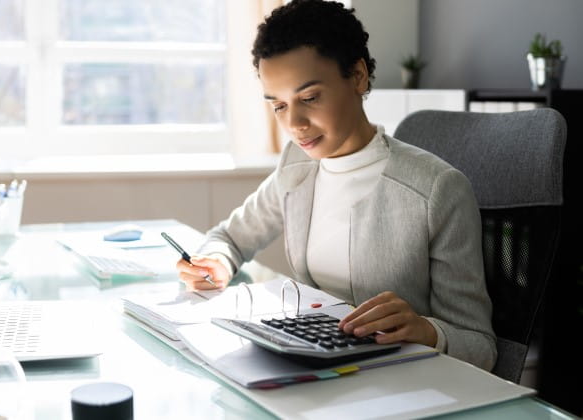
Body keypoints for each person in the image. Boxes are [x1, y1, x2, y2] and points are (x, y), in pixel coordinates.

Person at [175, 0, 496, 371]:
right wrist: (216, 262)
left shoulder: (438, 190)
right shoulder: (296, 166)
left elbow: (482, 347)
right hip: (313, 370)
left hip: (399, 384)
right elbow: (230, 237)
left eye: (309, 98)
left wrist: (426, 331)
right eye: (278, 105)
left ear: (358, 76)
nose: (294, 123)